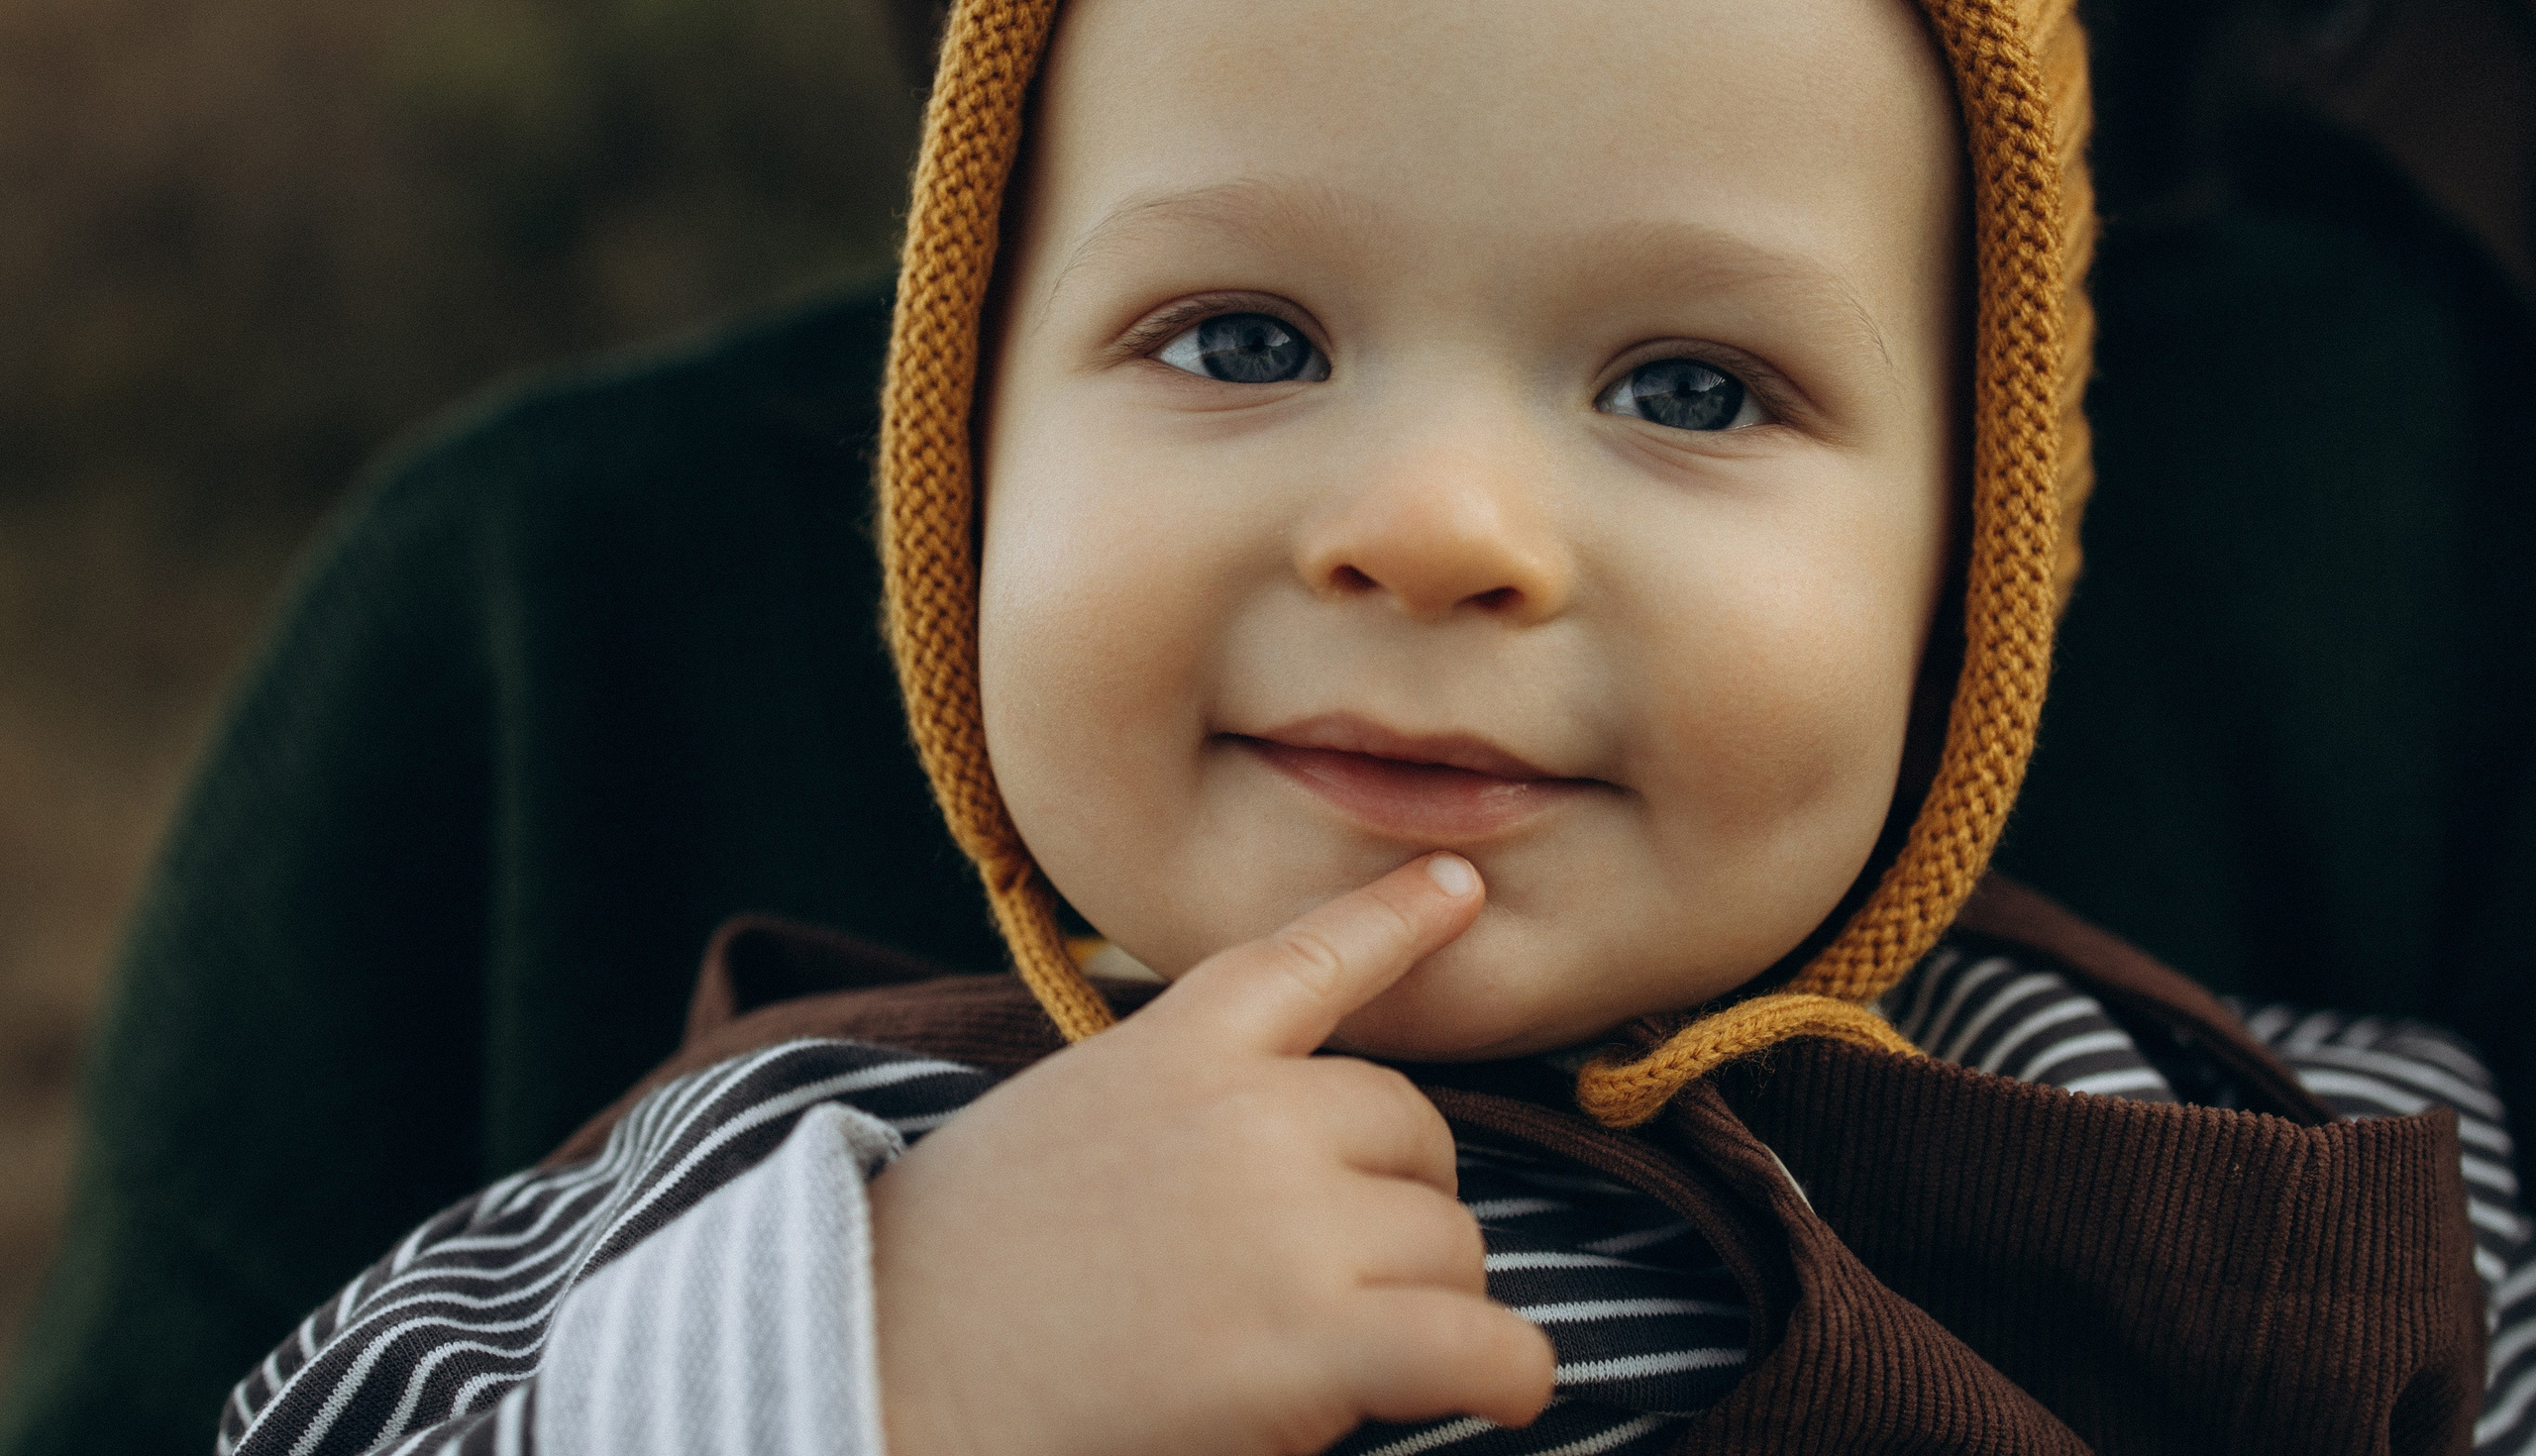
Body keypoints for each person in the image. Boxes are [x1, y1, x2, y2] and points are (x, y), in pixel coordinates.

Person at [166, 0, 2536, 1451]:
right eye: (1239, 341)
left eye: (1690, 386)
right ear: (957, 470)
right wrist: (892, 1388)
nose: (1432, 526)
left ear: (1964, 584)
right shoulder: (783, 1193)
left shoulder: (2285, 1160)